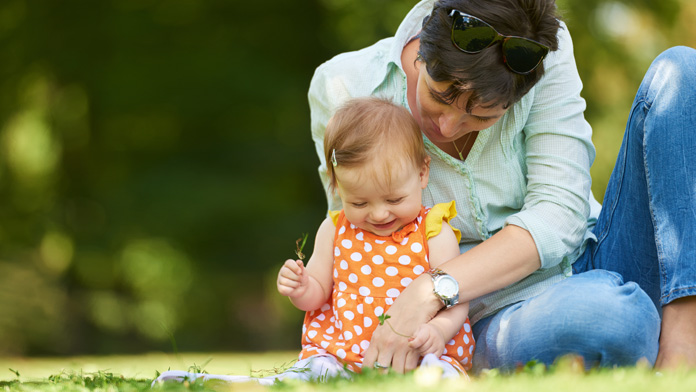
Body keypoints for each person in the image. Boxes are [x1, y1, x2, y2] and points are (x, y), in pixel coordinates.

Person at [308, 0, 696, 373]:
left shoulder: (542, 54)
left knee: (681, 70)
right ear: (425, 42)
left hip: (595, 254)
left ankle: (681, 343)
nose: (446, 127)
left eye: (481, 116)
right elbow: (356, 240)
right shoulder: (343, 87)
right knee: (614, 317)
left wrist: (435, 285)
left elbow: (559, 213)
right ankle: (630, 323)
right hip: (486, 311)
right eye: (439, 96)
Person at [152, 97, 475, 386]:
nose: (378, 214)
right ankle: (246, 386)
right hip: (341, 354)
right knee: (314, 370)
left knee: (436, 374)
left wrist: (439, 331)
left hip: (423, 350)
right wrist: (301, 287)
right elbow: (318, 293)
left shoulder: (433, 229)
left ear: (421, 173)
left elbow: (455, 296)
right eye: (360, 203)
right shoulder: (336, 229)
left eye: (393, 198)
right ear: (337, 187)